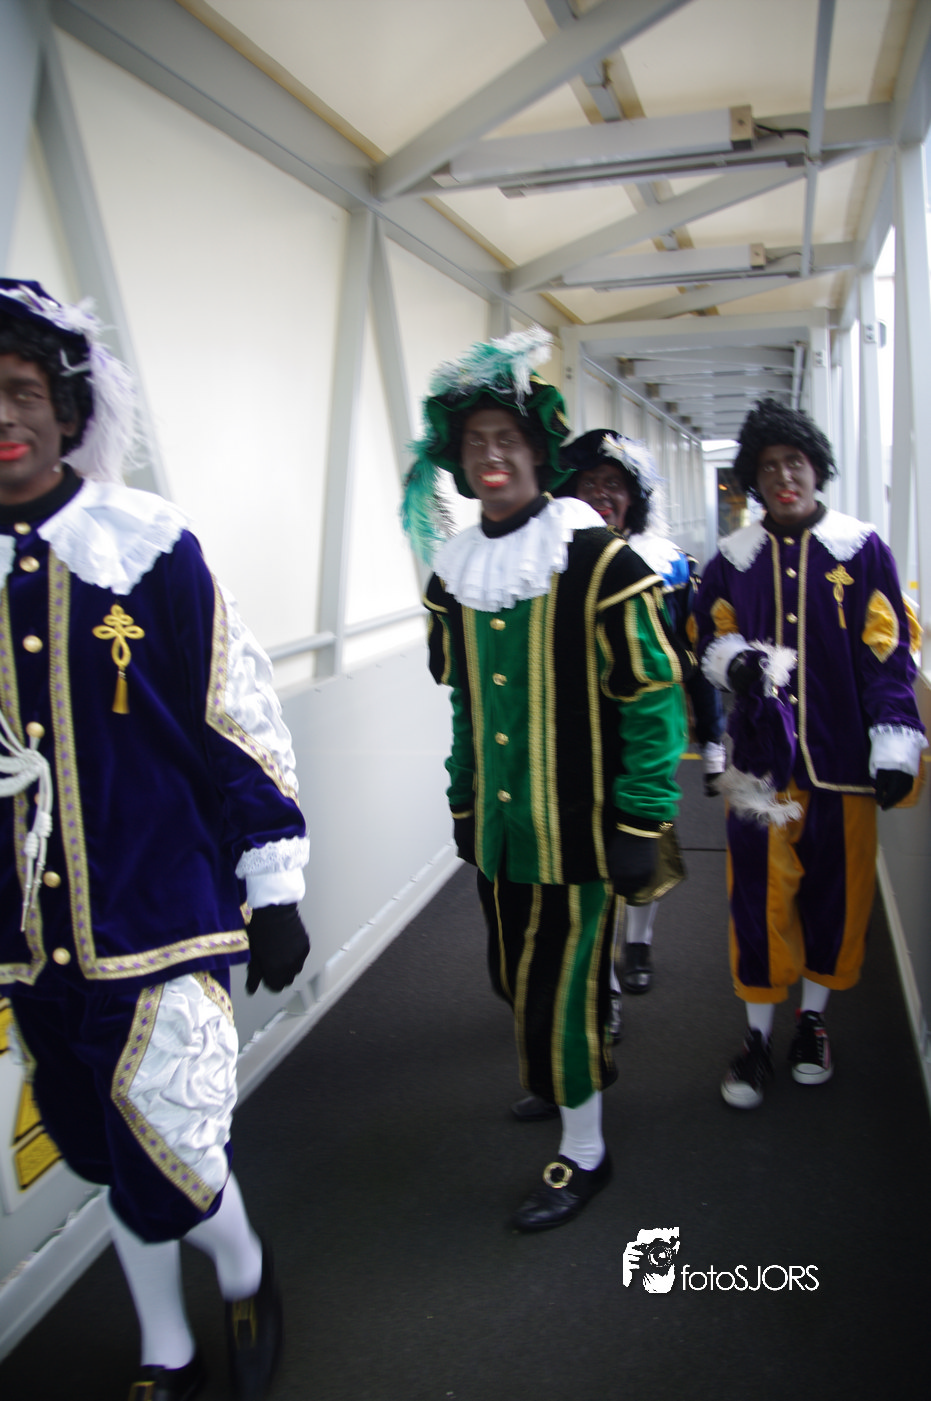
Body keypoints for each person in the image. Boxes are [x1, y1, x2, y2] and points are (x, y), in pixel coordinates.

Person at [0, 279, 310, 1401]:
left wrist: (274, 881)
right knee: (100, 1150)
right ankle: (164, 1346)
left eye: (22, 389)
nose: (5, 415)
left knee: (169, 1150)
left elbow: (237, 709)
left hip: (164, 912)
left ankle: (244, 1270)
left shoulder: (148, 545)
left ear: (68, 407)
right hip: (28, 939)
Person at [402, 327, 688, 1231]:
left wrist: (641, 819)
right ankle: (564, 1073)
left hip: (581, 830)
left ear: (536, 453)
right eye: (475, 442)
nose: (491, 454)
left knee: (562, 987)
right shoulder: (457, 572)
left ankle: (585, 1149)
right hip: (501, 833)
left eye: (507, 439)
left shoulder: (596, 559)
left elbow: (654, 696)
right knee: (514, 974)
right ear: (459, 463)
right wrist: (461, 796)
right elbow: (464, 704)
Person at [693, 398, 925, 1109]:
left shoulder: (863, 550)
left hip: (843, 766)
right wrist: (730, 660)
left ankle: (812, 1023)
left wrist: (896, 739)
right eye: (768, 467)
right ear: (753, 480)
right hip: (760, 769)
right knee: (756, 902)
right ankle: (756, 1038)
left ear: (817, 469)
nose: (783, 477)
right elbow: (707, 631)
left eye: (793, 462)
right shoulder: (732, 558)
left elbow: (887, 654)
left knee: (836, 899)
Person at [559, 429, 726, 996]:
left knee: (645, 843)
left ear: (634, 497)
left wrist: (713, 745)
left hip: (648, 730)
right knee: (587, 855)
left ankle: (638, 944)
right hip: (579, 731)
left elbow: (695, 658)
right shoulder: (553, 562)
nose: (602, 494)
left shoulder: (669, 567)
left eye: (614, 484)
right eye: (589, 483)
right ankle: (601, 976)